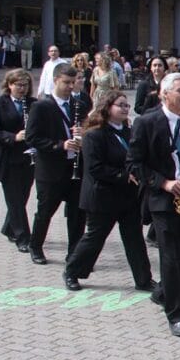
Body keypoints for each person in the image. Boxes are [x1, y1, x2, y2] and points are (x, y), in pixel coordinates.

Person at [129, 73, 180, 338]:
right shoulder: (146, 122)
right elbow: (134, 163)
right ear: (164, 94)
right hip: (163, 200)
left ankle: (163, 291)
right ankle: (177, 314)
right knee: (171, 257)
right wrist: (163, 183)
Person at [62, 90, 153, 292]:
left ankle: (144, 279)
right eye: (120, 105)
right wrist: (123, 175)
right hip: (102, 196)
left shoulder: (129, 132)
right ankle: (72, 272)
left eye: (126, 105)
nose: (125, 108)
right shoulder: (94, 134)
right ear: (107, 107)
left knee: (135, 240)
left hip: (128, 197)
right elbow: (95, 168)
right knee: (95, 238)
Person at [25, 63, 86, 264]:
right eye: (66, 82)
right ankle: (35, 246)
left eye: (73, 82)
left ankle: (74, 253)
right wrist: (61, 145)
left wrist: (84, 134)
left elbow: (92, 129)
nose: (70, 86)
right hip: (51, 170)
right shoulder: (41, 106)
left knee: (77, 214)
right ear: (55, 81)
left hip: (75, 168)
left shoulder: (80, 104)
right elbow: (32, 138)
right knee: (45, 211)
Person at [0, 69, 36, 252]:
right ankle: (23, 238)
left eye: (25, 85)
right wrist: (13, 137)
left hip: (28, 157)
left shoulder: (33, 104)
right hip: (8, 157)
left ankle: (9, 228)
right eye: (18, 85)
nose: (22, 89)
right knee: (14, 199)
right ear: (9, 85)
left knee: (22, 196)